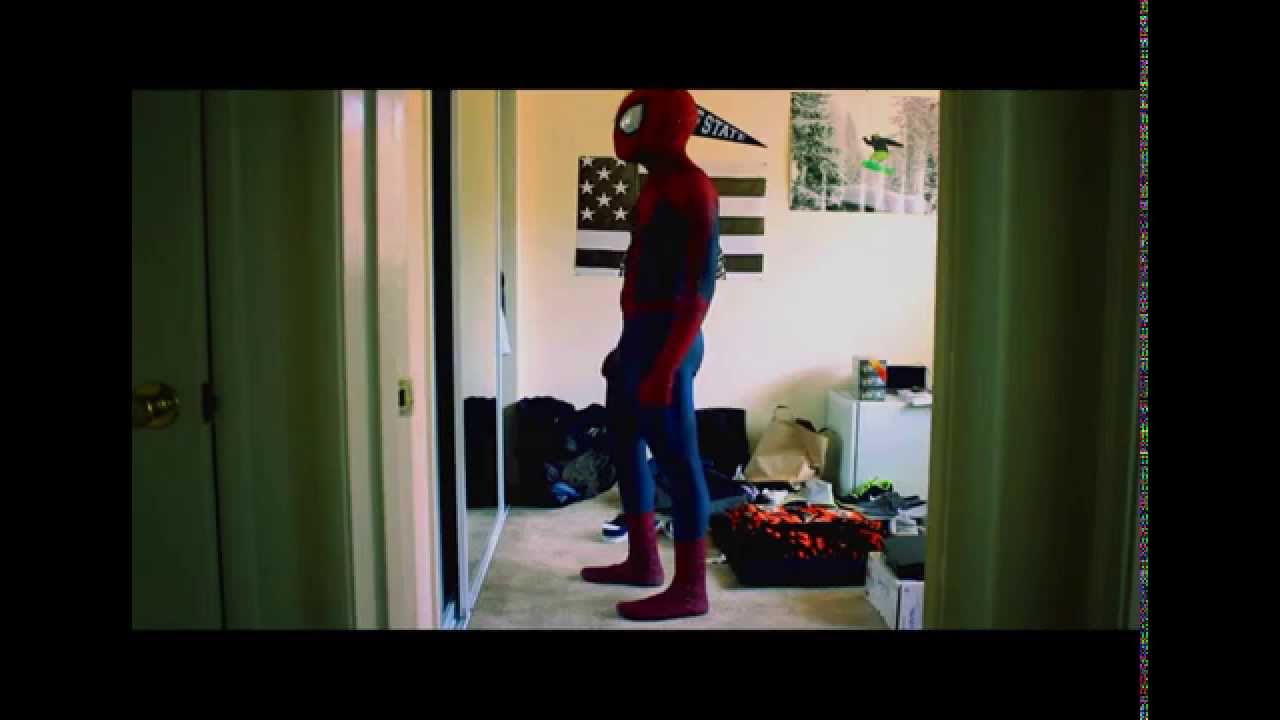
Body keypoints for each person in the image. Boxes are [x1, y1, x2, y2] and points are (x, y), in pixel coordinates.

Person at [579, 89, 721, 621]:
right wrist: (625, 351)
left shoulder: (694, 188)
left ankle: (691, 589)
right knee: (624, 443)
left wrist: (665, 366)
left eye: (637, 117)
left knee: (679, 462)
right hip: (638, 340)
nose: (627, 126)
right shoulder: (655, 187)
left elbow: (700, 289)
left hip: (670, 343)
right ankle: (643, 561)